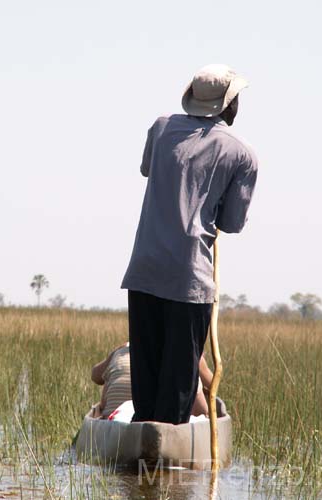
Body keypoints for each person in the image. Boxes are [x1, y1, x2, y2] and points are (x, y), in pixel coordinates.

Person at [121, 64, 258, 425]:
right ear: (228, 106)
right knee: (177, 396)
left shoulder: (162, 128)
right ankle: (168, 476)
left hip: (144, 270)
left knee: (146, 394)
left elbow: (148, 169)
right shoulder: (241, 154)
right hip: (190, 280)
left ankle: (141, 475)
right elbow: (232, 223)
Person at [91, 344, 213, 418]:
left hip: (114, 426)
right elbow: (213, 384)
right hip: (162, 422)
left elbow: (95, 376)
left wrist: (114, 353)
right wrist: (198, 356)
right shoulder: (186, 353)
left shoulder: (120, 352)